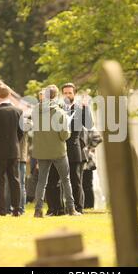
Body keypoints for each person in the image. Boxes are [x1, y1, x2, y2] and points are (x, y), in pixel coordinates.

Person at [32, 85, 81, 218]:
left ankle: (38, 210)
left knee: (42, 181)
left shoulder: (35, 111)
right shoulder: (60, 113)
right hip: (58, 151)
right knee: (66, 180)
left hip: (42, 151)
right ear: (56, 96)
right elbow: (64, 135)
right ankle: (71, 209)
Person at [0, 86, 23, 216]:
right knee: (15, 180)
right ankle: (17, 209)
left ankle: (1, 210)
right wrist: (15, 143)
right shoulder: (18, 111)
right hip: (14, 150)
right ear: (9, 95)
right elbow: (21, 132)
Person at [61, 83, 93, 213]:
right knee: (62, 182)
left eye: (70, 93)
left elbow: (89, 125)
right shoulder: (59, 108)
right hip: (60, 150)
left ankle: (78, 208)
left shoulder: (81, 108)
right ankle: (65, 207)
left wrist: (86, 109)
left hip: (75, 149)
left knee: (76, 181)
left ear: (74, 93)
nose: (67, 95)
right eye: (65, 93)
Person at [81, 127, 103, 209]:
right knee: (81, 185)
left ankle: (89, 206)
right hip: (80, 160)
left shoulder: (89, 127)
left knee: (87, 185)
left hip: (88, 161)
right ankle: (82, 205)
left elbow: (98, 138)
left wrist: (89, 147)